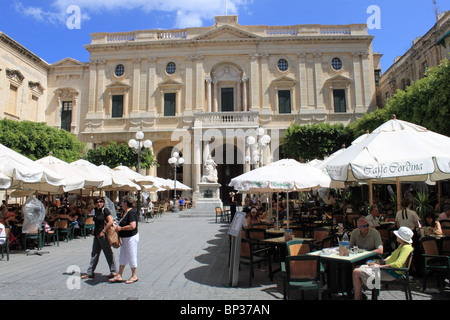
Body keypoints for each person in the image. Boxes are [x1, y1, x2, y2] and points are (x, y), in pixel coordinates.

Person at [352, 226, 414, 300]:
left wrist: (379, 266)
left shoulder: (406, 248)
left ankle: (358, 297)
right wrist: (385, 260)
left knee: (356, 272)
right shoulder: (402, 245)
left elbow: (398, 264)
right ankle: (359, 296)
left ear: (400, 237)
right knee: (359, 268)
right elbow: (393, 256)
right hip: (388, 270)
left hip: (392, 273)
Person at [81, 197, 117, 280]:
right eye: (97, 202)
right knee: (94, 254)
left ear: (103, 202)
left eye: (100, 202)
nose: (98, 203)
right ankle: (90, 272)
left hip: (103, 235)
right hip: (97, 235)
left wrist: (103, 231)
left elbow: (110, 221)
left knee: (108, 253)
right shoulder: (96, 210)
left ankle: (114, 271)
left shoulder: (105, 210)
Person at [109, 195, 139, 284]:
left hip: (131, 238)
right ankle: (119, 275)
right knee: (123, 256)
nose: (121, 204)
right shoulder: (125, 212)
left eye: (122, 202)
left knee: (131, 255)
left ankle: (134, 275)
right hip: (125, 238)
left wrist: (121, 229)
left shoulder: (131, 213)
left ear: (126, 203)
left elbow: (133, 226)